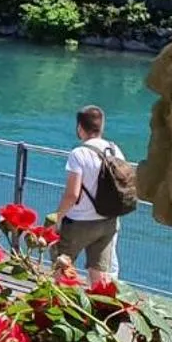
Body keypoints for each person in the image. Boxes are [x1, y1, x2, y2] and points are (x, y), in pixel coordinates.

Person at [50, 105, 128, 285]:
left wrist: (56, 219)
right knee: (99, 275)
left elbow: (72, 194)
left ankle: (61, 305)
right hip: (108, 222)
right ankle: (99, 308)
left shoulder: (79, 154)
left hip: (78, 223)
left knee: (61, 268)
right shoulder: (115, 149)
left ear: (79, 128)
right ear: (101, 127)